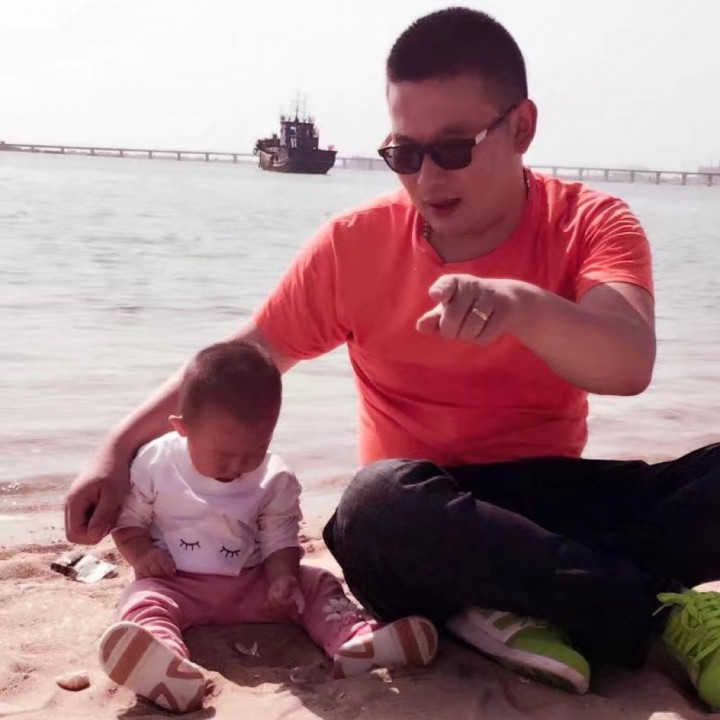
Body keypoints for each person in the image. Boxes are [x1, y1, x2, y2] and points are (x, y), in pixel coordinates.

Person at [67, 6, 720, 708]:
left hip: (547, 507)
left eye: (453, 148)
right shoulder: (355, 244)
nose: (427, 178)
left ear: (522, 128)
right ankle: (654, 611)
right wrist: (117, 447)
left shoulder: (589, 221)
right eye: (405, 154)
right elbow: (244, 360)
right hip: (419, 524)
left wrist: (522, 308)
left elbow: (628, 363)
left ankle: (525, 603)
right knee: (373, 504)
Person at [97, 340, 437, 714]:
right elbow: (127, 523)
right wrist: (142, 554)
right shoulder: (154, 464)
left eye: (254, 452)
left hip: (253, 585)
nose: (237, 467)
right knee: (142, 599)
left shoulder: (274, 478)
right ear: (182, 428)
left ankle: (356, 641)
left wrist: (282, 578)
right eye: (223, 456)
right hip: (176, 583)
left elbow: (280, 538)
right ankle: (164, 662)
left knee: (316, 583)